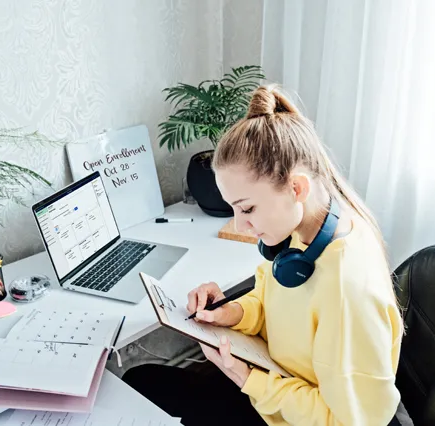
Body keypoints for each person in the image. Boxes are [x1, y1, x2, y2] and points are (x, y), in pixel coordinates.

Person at [123, 85, 404, 426]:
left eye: (248, 208)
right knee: (140, 382)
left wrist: (248, 379)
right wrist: (235, 312)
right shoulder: (304, 231)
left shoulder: (347, 287)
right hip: (276, 391)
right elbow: (278, 298)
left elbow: (345, 422)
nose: (241, 226)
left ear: (296, 188)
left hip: (288, 409)